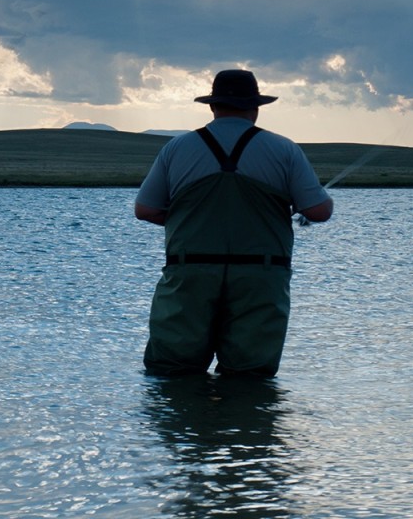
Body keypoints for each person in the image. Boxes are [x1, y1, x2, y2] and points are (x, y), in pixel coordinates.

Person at [135, 69, 334, 377]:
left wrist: (195, 222)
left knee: (171, 372)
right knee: (250, 377)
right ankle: (244, 422)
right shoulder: (284, 149)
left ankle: (182, 423)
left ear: (213, 106)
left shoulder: (176, 148)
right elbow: (319, 212)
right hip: (260, 277)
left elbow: (145, 210)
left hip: (190, 274)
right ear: (255, 107)